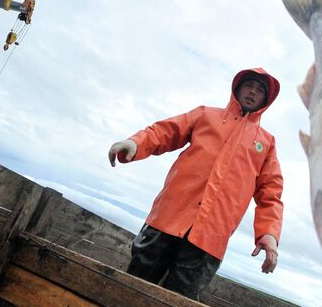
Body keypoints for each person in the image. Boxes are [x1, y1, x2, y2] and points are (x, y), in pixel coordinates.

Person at [108, 68, 284, 301]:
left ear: (266, 99)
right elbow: (165, 132)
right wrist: (135, 143)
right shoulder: (205, 115)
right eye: (249, 85)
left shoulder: (266, 143)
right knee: (131, 290)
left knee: (179, 300)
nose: (253, 92)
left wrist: (268, 234)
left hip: (210, 238)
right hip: (167, 219)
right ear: (237, 88)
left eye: (260, 90)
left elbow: (271, 194)